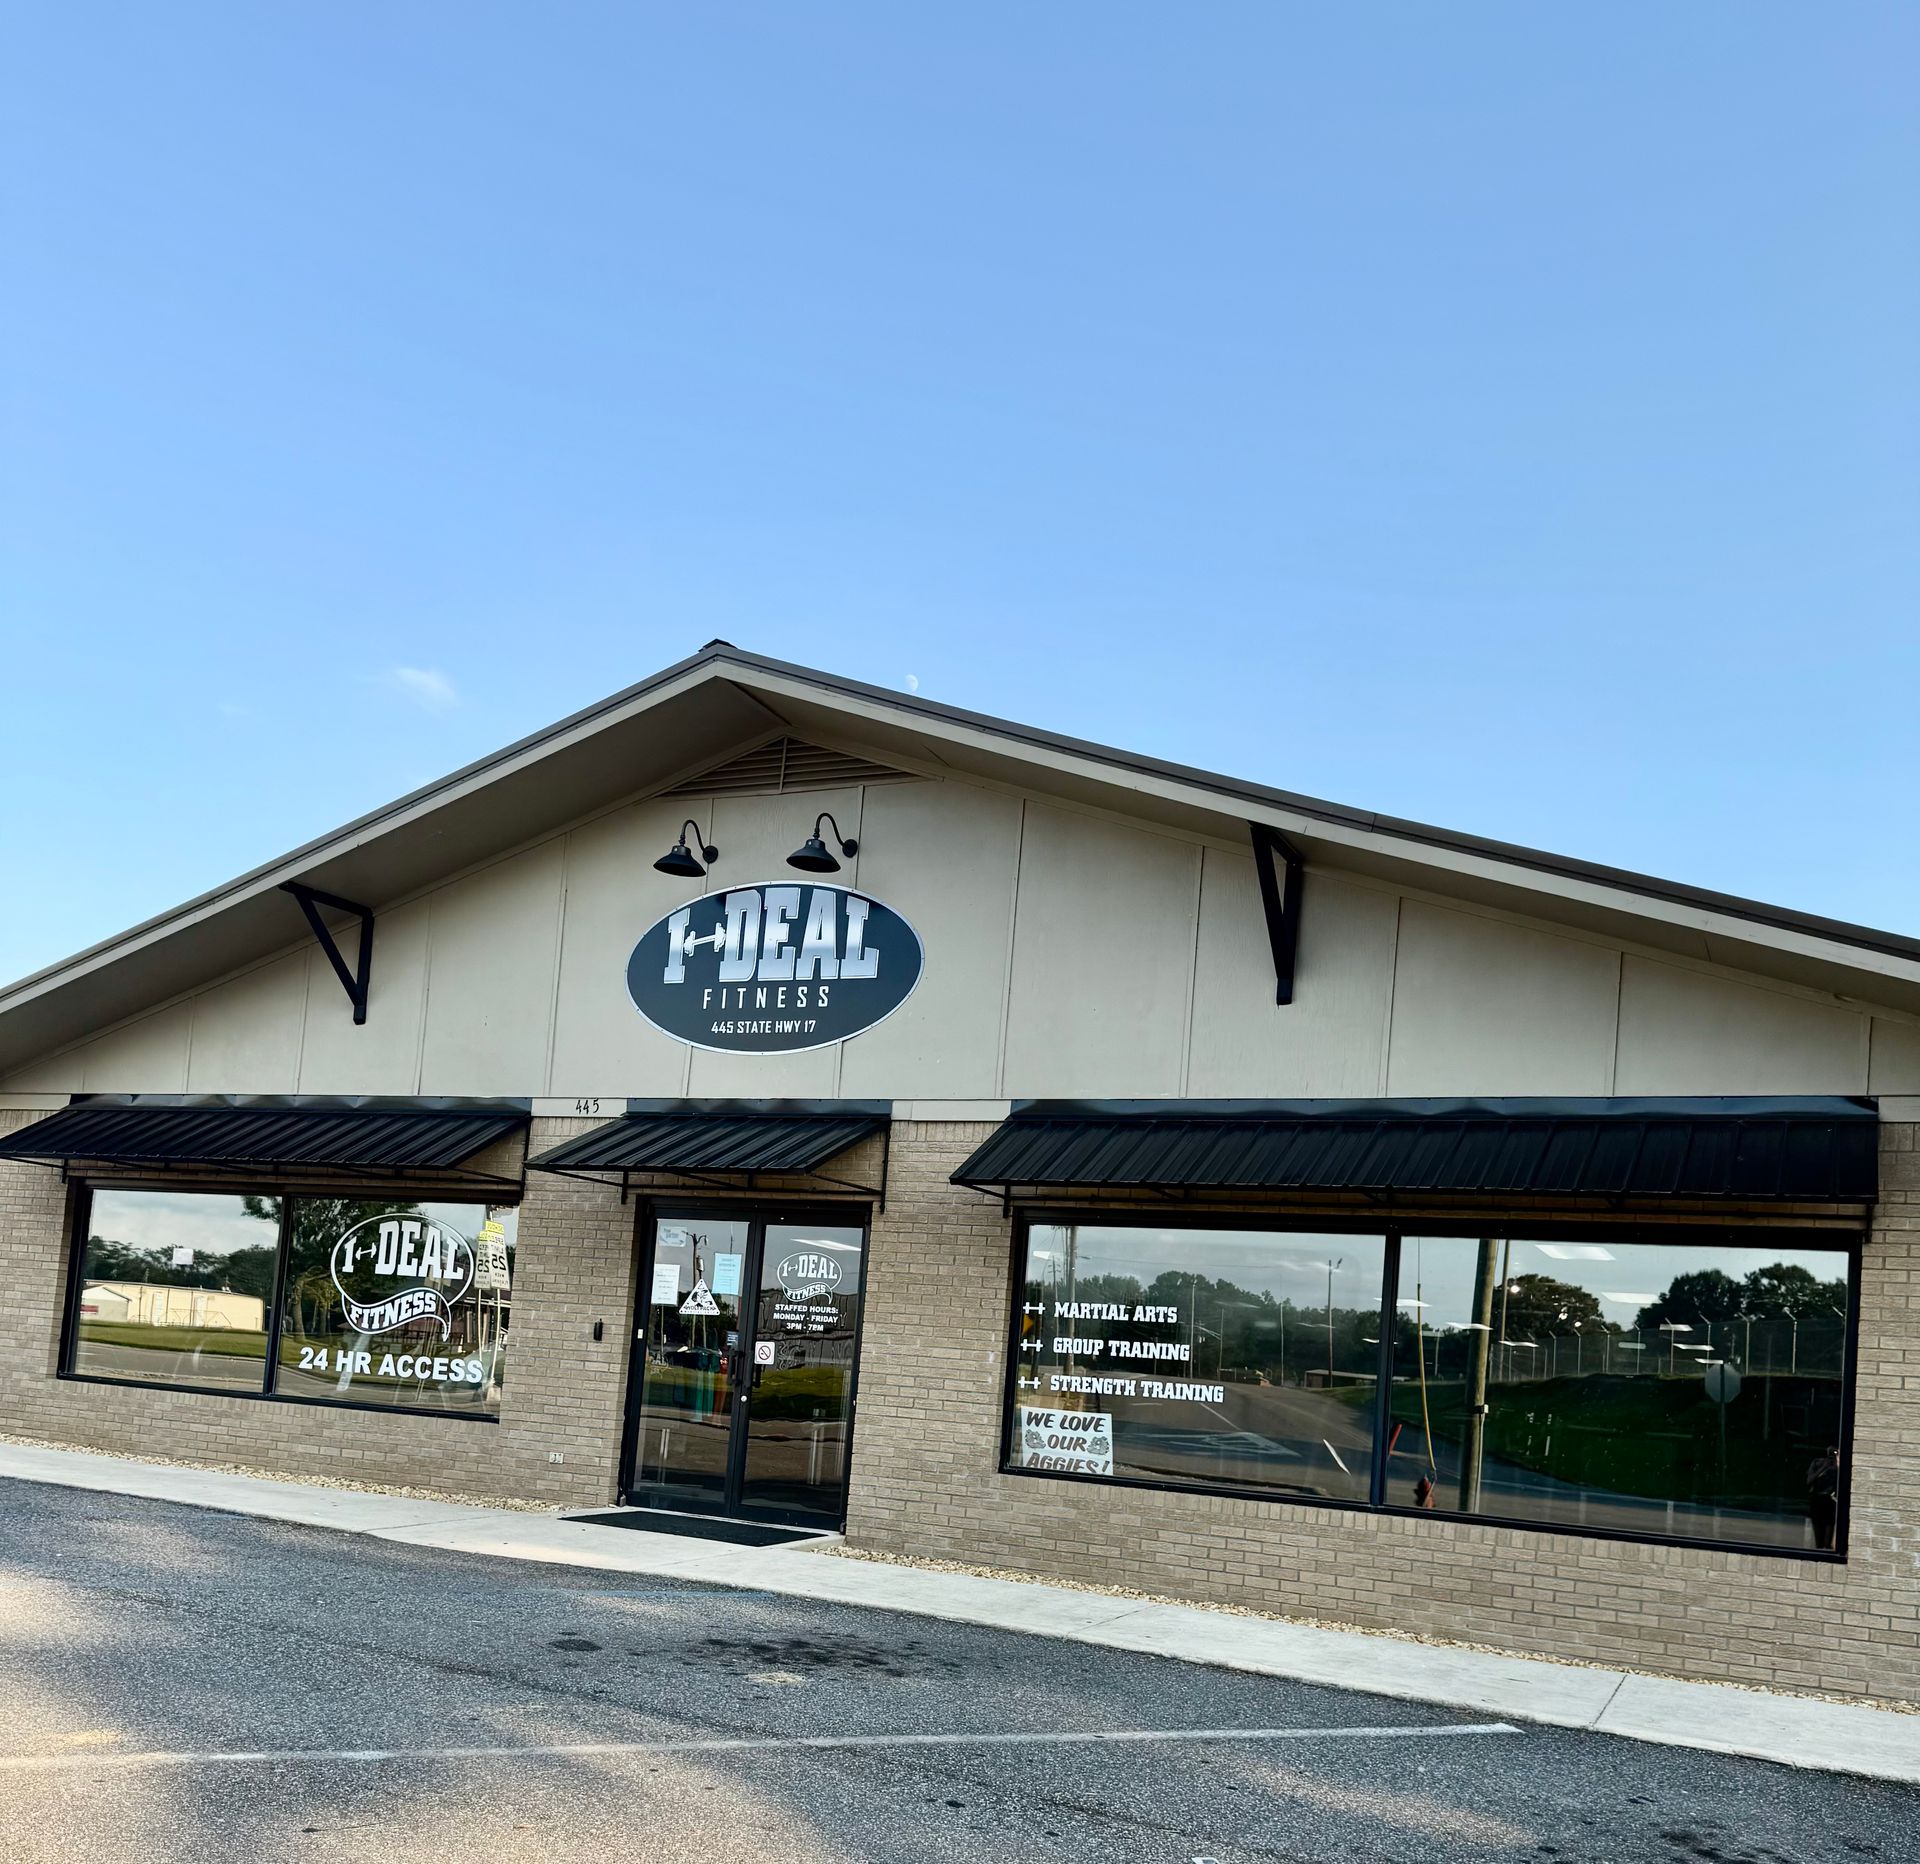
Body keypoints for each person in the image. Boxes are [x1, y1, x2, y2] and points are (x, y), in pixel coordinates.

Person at [1806, 1446, 1841, 1550]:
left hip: (1829, 1502)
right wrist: (1823, 1467)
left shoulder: (1837, 1466)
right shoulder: (1817, 1462)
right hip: (1819, 1501)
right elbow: (1809, 1481)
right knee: (1820, 1541)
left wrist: (1838, 1464)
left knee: (1826, 1541)